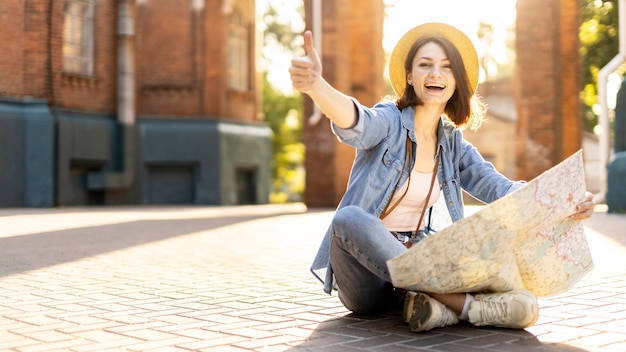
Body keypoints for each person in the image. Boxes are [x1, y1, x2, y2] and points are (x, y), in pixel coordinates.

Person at [289, 22, 595, 332]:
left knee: (486, 230)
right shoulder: (389, 121)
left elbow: (500, 189)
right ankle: (466, 307)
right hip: (366, 282)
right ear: (410, 76)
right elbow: (357, 121)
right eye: (425, 65)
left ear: (455, 81)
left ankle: (433, 306)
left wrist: (564, 203)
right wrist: (316, 86)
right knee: (349, 220)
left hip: (419, 260)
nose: (436, 73)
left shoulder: (452, 143)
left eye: (446, 67)